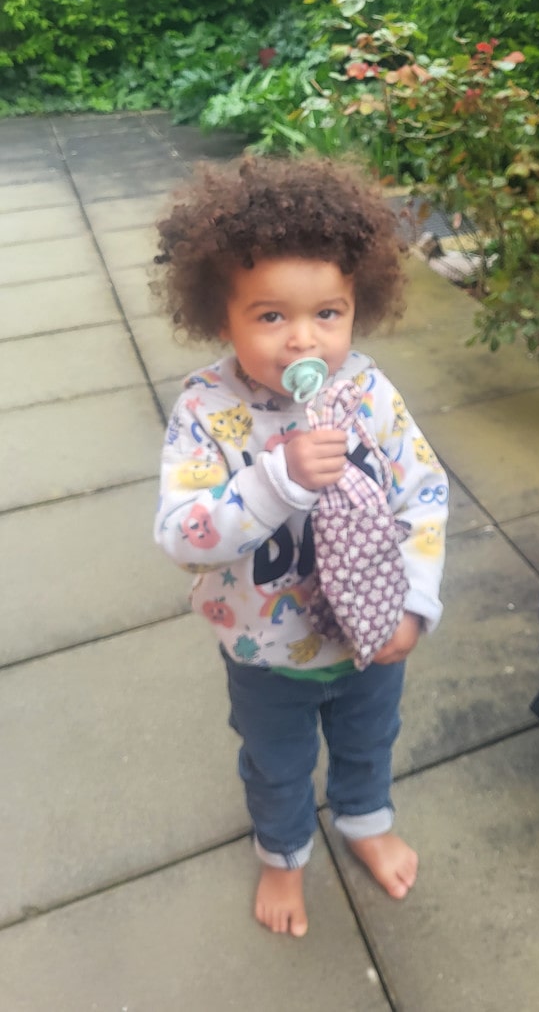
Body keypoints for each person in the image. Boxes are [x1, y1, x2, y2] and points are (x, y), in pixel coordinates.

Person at [152, 155, 447, 937]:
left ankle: (364, 818)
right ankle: (283, 854)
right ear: (224, 316)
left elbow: (423, 492)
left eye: (329, 312)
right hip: (267, 651)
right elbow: (183, 535)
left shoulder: (370, 393)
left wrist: (414, 602)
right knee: (276, 765)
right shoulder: (208, 411)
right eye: (272, 316)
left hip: (367, 639)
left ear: (358, 308)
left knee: (370, 738)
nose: (304, 339)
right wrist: (274, 481)